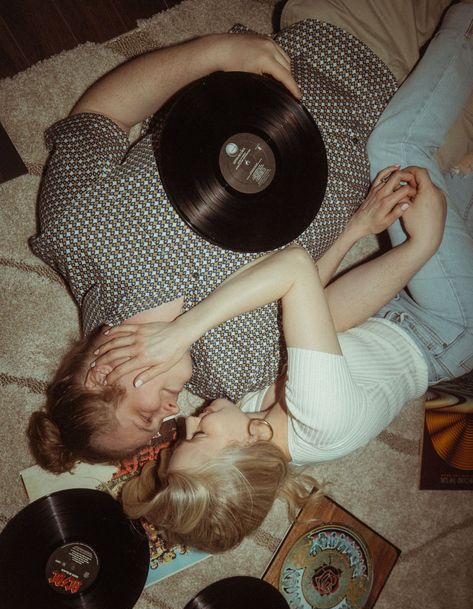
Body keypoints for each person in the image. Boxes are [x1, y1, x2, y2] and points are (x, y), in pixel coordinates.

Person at [101, 3, 473, 553]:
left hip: (390, 312)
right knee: (396, 155)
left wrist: (355, 230)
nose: (190, 418)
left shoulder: (256, 419)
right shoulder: (321, 415)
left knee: (447, 179)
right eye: (201, 434)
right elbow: (295, 269)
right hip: (447, 326)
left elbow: (316, 314)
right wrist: (422, 246)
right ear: (248, 446)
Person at [28, 1, 453, 471]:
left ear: (102, 372)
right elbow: (313, 300)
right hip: (409, 152)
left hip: (337, 44)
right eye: (159, 424)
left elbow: (100, 114)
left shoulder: (76, 230)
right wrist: (355, 231)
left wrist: (212, 52)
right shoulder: (232, 379)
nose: (172, 412)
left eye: (147, 413)